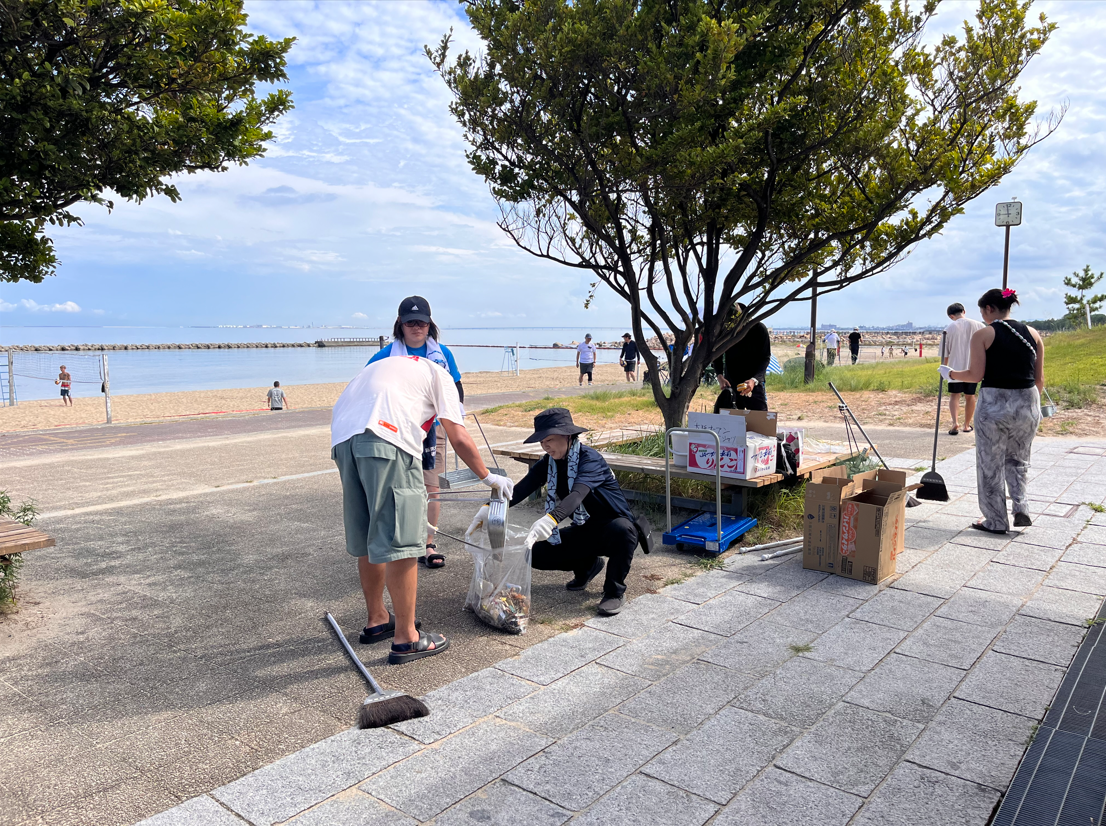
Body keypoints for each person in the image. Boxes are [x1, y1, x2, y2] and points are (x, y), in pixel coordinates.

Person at [331, 355, 513, 664]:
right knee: (403, 537)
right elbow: (457, 435)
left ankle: (377, 619)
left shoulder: (390, 367)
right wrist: (489, 476)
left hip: (344, 440)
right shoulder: (442, 377)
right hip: (387, 438)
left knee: (368, 534)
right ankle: (407, 638)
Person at [469, 408, 650, 616]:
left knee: (623, 530)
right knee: (535, 554)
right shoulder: (549, 463)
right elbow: (519, 490)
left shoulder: (590, 460)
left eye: (550, 439)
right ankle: (588, 566)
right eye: (542, 441)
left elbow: (577, 495)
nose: (545, 445)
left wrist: (550, 519)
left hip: (613, 528)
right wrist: (489, 509)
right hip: (585, 528)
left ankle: (614, 592)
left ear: (567, 436)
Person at [368, 296, 464, 569]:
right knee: (400, 488)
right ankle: (401, 540)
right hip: (398, 431)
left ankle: (428, 542)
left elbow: (456, 388)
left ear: (429, 324)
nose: (416, 327)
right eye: (410, 322)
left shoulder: (442, 353)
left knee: (431, 488)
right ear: (400, 323)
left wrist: (455, 421)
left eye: (421, 322)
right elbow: (367, 388)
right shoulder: (385, 355)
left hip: (434, 428)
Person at [941, 288, 1044, 533]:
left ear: (989, 309)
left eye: (982, 311)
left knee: (990, 463)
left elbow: (975, 375)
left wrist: (950, 374)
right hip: (1028, 402)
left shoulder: (984, 334)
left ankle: (995, 520)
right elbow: (1039, 379)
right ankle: (1021, 507)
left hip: (994, 403)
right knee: (1019, 460)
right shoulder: (1033, 334)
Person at [712, 304, 771, 413]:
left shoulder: (759, 329)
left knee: (760, 420)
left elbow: (765, 358)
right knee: (730, 422)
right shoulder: (724, 332)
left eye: (736, 324)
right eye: (729, 325)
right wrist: (719, 376)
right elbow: (716, 356)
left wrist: (754, 380)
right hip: (731, 382)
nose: (734, 329)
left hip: (754, 382)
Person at [941, 303, 985, 435]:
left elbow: (945, 354)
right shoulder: (980, 326)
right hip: (973, 368)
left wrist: (944, 370)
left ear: (951, 316)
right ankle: (966, 425)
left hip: (954, 369)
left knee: (954, 396)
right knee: (970, 396)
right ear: (964, 311)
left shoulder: (949, 328)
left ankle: (955, 423)